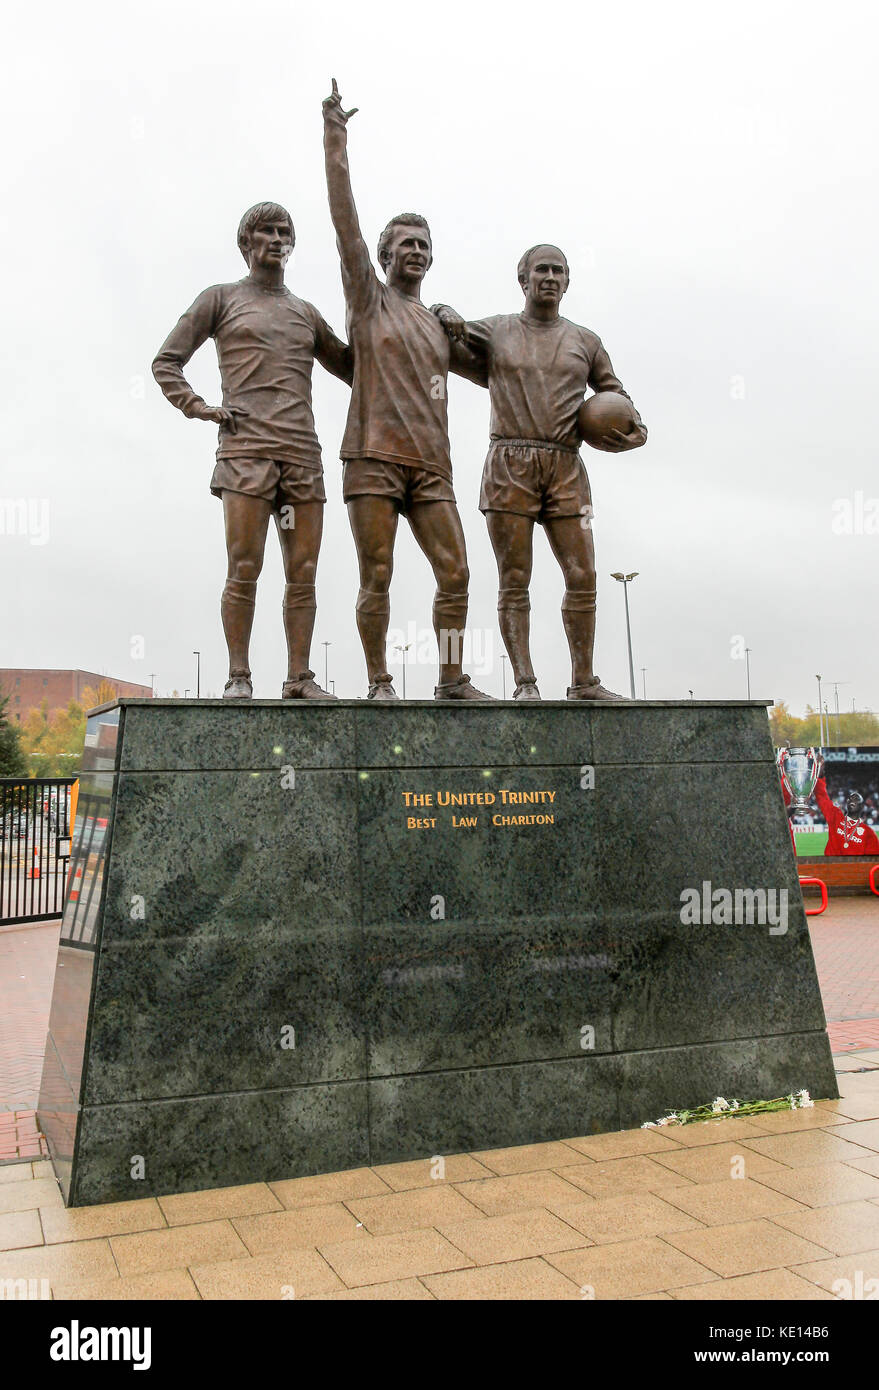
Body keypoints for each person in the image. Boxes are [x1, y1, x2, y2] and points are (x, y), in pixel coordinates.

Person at [322, 79, 491, 701]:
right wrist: (335, 136)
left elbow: (495, 372)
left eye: (424, 245)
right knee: (378, 573)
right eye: (404, 244)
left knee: (456, 572)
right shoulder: (369, 301)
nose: (415, 251)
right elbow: (345, 220)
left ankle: (451, 679)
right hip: (371, 456)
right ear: (385, 255)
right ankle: (378, 682)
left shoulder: (439, 323)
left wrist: (464, 332)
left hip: (432, 465)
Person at [152, 202, 352, 699]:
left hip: (303, 453)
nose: (277, 238)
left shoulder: (306, 312)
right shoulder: (220, 298)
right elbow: (167, 361)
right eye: (267, 231)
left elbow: (353, 369)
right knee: (245, 566)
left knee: (303, 571)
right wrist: (198, 407)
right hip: (245, 453)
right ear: (246, 242)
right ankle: (238, 675)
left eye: (285, 231)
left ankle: (299, 677)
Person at [431, 246, 646, 700]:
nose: (549, 277)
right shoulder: (498, 330)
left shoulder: (586, 341)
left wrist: (634, 432)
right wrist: (441, 308)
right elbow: (448, 334)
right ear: (522, 279)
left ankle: (584, 681)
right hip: (510, 464)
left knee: (583, 574)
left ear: (568, 282)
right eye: (541, 270)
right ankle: (525, 683)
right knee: (515, 577)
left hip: (566, 465)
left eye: (558, 271)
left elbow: (617, 395)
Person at [813, 756, 879, 854]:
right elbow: (822, 797)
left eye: (856, 799)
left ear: (862, 807)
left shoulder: (868, 833)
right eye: (850, 799)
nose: (852, 800)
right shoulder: (835, 816)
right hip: (829, 866)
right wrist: (820, 775)